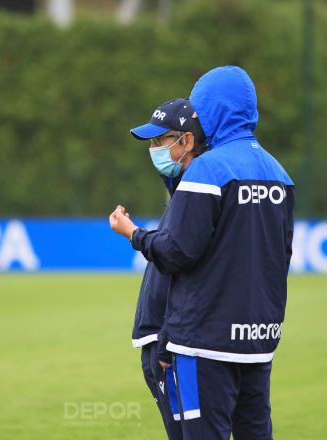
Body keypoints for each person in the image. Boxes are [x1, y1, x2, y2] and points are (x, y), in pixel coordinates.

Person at [109, 66, 295, 440]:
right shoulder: (279, 172)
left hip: (202, 342)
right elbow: (280, 256)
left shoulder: (210, 169)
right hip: (258, 340)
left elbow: (178, 252)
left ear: (211, 109)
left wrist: (133, 234)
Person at [127, 98, 208, 440]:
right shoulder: (182, 188)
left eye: (161, 141)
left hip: (171, 342)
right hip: (164, 339)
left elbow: (178, 258)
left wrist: (133, 233)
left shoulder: (198, 191)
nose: (154, 150)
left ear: (186, 141)